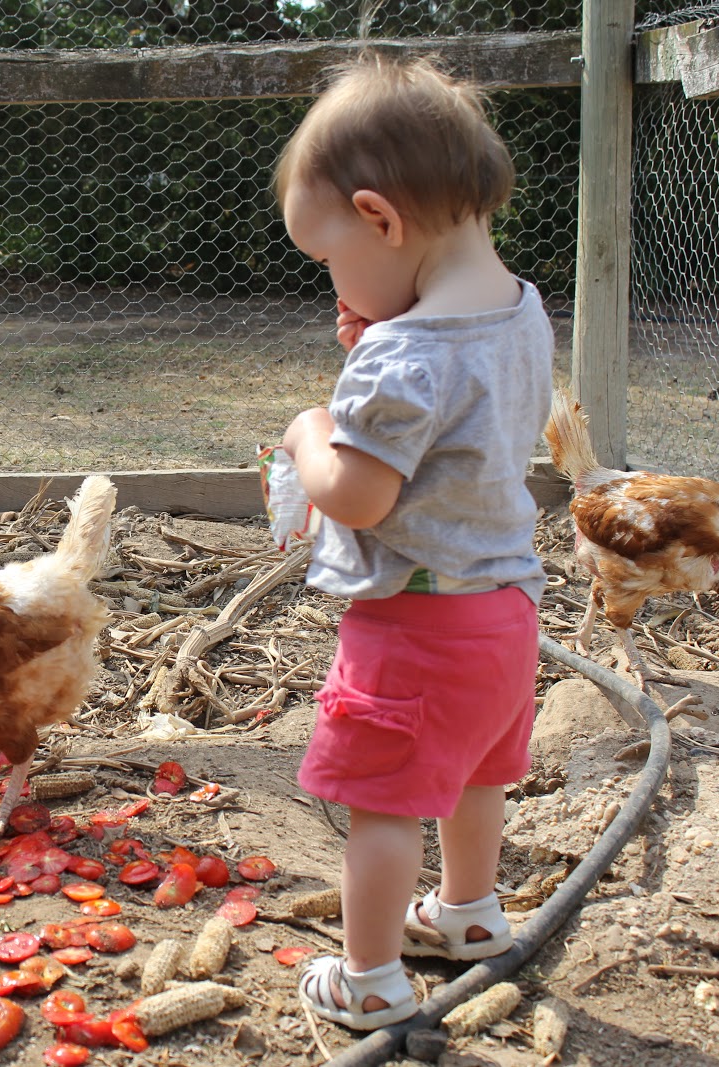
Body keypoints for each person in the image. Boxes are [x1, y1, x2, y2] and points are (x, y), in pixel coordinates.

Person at [273, 52, 553, 1030]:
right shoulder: (520, 308)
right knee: (474, 770)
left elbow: (356, 495)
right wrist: (373, 355)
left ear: (379, 219)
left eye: (328, 256)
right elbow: (456, 415)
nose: (333, 279)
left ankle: (370, 978)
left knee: (382, 801)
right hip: (504, 613)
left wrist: (311, 430)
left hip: (414, 623)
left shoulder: (402, 354)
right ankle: (469, 912)